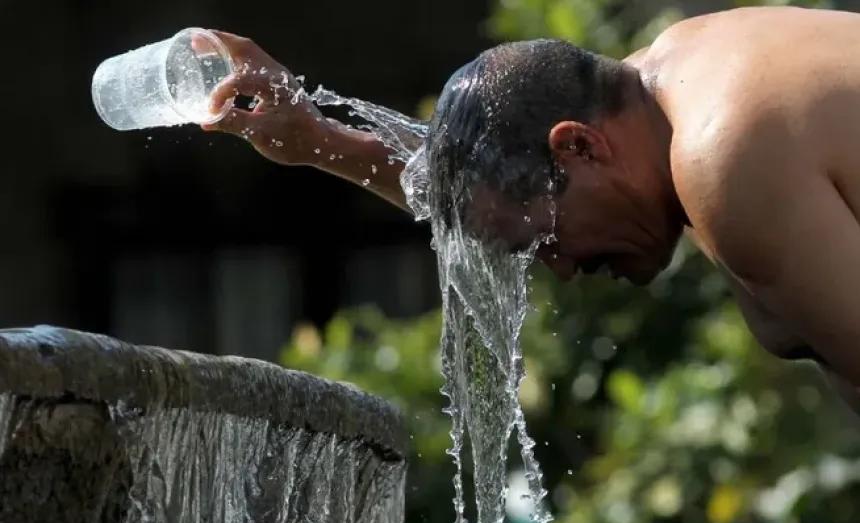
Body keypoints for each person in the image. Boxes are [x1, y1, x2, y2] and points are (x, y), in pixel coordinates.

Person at [201, 5, 860, 399]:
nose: (564, 267)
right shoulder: (666, 83)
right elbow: (491, 187)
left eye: (544, 239)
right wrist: (318, 140)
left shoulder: (725, 161)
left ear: (577, 146)